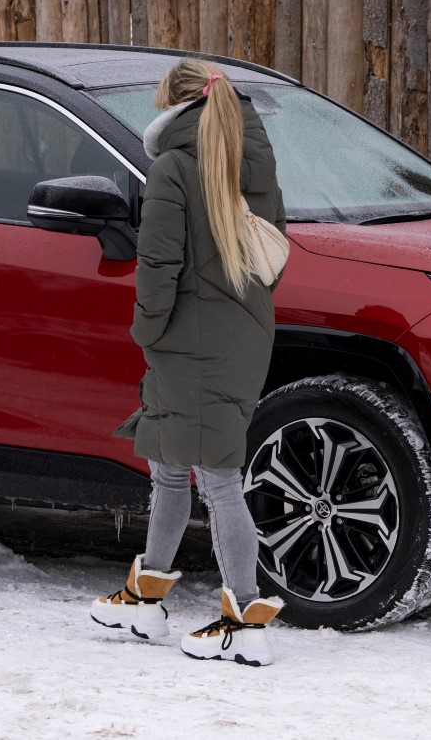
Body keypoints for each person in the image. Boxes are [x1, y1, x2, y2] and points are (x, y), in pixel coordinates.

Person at [90, 58, 288, 667]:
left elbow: (158, 265)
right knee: (172, 463)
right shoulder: (251, 167)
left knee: (217, 478)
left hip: (186, 339)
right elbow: (272, 249)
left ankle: (243, 621)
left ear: (174, 109)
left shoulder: (174, 167)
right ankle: (146, 597)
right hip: (239, 334)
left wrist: (146, 330)